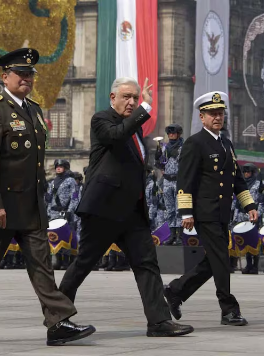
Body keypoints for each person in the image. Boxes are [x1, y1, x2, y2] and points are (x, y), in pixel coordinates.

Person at [0, 48, 95, 346]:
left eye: (30, 74)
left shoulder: (34, 110)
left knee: (42, 265)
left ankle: (58, 322)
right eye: (21, 74)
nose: (27, 79)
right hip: (0, 206)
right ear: (5, 76)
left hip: (30, 206)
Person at [59, 76, 193, 337]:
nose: (132, 102)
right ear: (113, 98)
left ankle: (159, 322)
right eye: (127, 97)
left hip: (132, 212)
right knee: (84, 263)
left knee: (147, 264)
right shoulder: (102, 120)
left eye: (135, 97)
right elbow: (117, 136)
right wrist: (146, 108)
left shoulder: (136, 132)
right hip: (104, 210)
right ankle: (57, 318)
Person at [163, 91, 258, 326]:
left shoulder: (226, 143)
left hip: (222, 211)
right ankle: (228, 309)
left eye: (220, 113)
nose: (217, 118)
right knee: (222, 260)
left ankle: (176, 290)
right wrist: (186, 213)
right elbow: (185, 180)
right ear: (202, 117)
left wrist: (249, 205)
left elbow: (236, 179)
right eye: (212, 114)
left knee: (216, 260)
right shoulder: (195, 143)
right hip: (205, 212)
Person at [155, 124, 184, 245]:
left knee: (179, 209)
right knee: (170, 209)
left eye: (173, 133)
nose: (171, 135)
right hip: (167, 181)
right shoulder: (164, 148)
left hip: (178, 180)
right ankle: (172, 235)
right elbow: (159, 163)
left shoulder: (183, 147)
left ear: (178, 134)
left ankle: (180, 236)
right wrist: (158, 160)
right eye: (169, 133)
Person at [46, 159, 77, 270]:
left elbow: (74, 198)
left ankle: (66, 260)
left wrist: (70, 211)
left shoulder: (71, 181)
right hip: (54, 213)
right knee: (55, 236)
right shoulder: (53, 182)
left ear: (66, 168)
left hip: (65, 212)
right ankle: (58, 259)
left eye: (61, 166)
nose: (58, 168)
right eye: (57, 166)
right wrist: (48, 212)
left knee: (66, 236)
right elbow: (49, 200)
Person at [236, 163, 262, 275]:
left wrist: (258, 214)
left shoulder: (258, 185)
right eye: (245, 172)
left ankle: (255, 266)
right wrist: (234, 216)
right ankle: (248, 264)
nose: (246, 174)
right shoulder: (241, 184)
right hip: (242, 215)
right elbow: (235, 202)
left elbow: (262, 202)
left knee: (254, 241)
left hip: (253, 215)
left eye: (248, 172)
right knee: (245, 241)